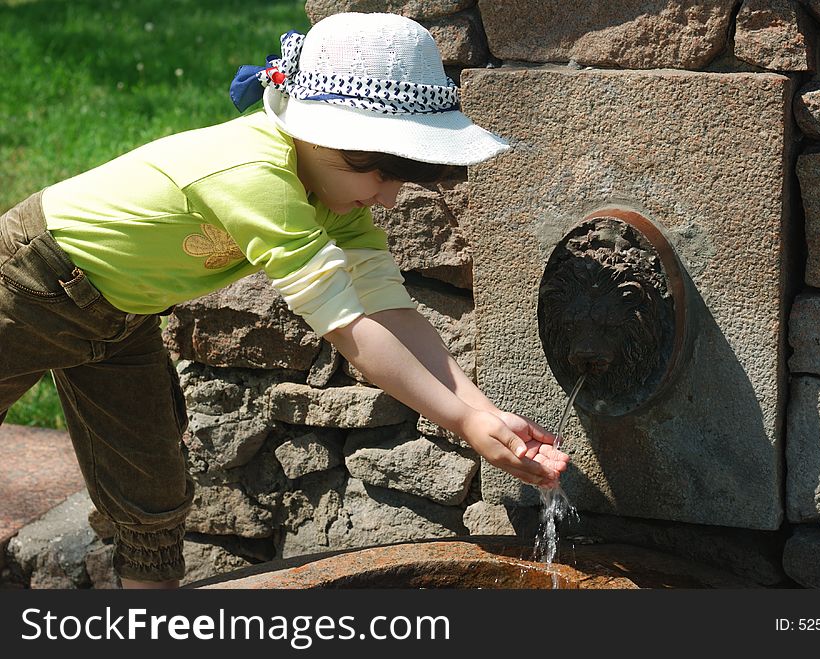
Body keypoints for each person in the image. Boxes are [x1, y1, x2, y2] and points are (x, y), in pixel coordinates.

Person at [0, 12, 569, 589]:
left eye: (401, 177)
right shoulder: (258, 178)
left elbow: (391, 310)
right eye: (377, 172)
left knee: (152, 496)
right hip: (30, 282)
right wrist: (462, 422)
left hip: (121, 316)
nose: (389, 198)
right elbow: (350, 331)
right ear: (318, 135)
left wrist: (485, 413)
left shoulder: (330, 193)